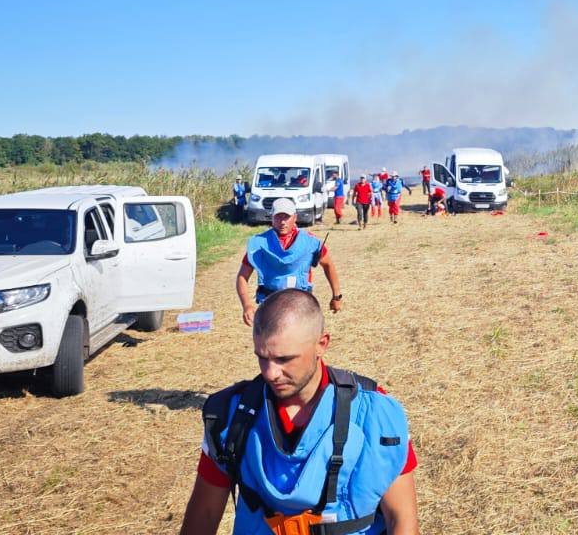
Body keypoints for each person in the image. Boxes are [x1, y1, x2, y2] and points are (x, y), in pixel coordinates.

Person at [179, 289, 420, 535]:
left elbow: (401, 518)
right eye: (262, 357)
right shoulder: (230, 417)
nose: (270, 373)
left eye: (284, 359)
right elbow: (205, 514)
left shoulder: (375, 414)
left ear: (321, 345)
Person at [235, 198, 344, 327]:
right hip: (270, 303)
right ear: (272, 218)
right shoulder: (260, 243)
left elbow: (328, 265)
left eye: (286, 217)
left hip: (301, 304)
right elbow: (242, 276)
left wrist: (336, 296)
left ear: (295, 217)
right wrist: (247, 305)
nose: (282, 222)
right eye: (278, 217)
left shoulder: (310, 242)